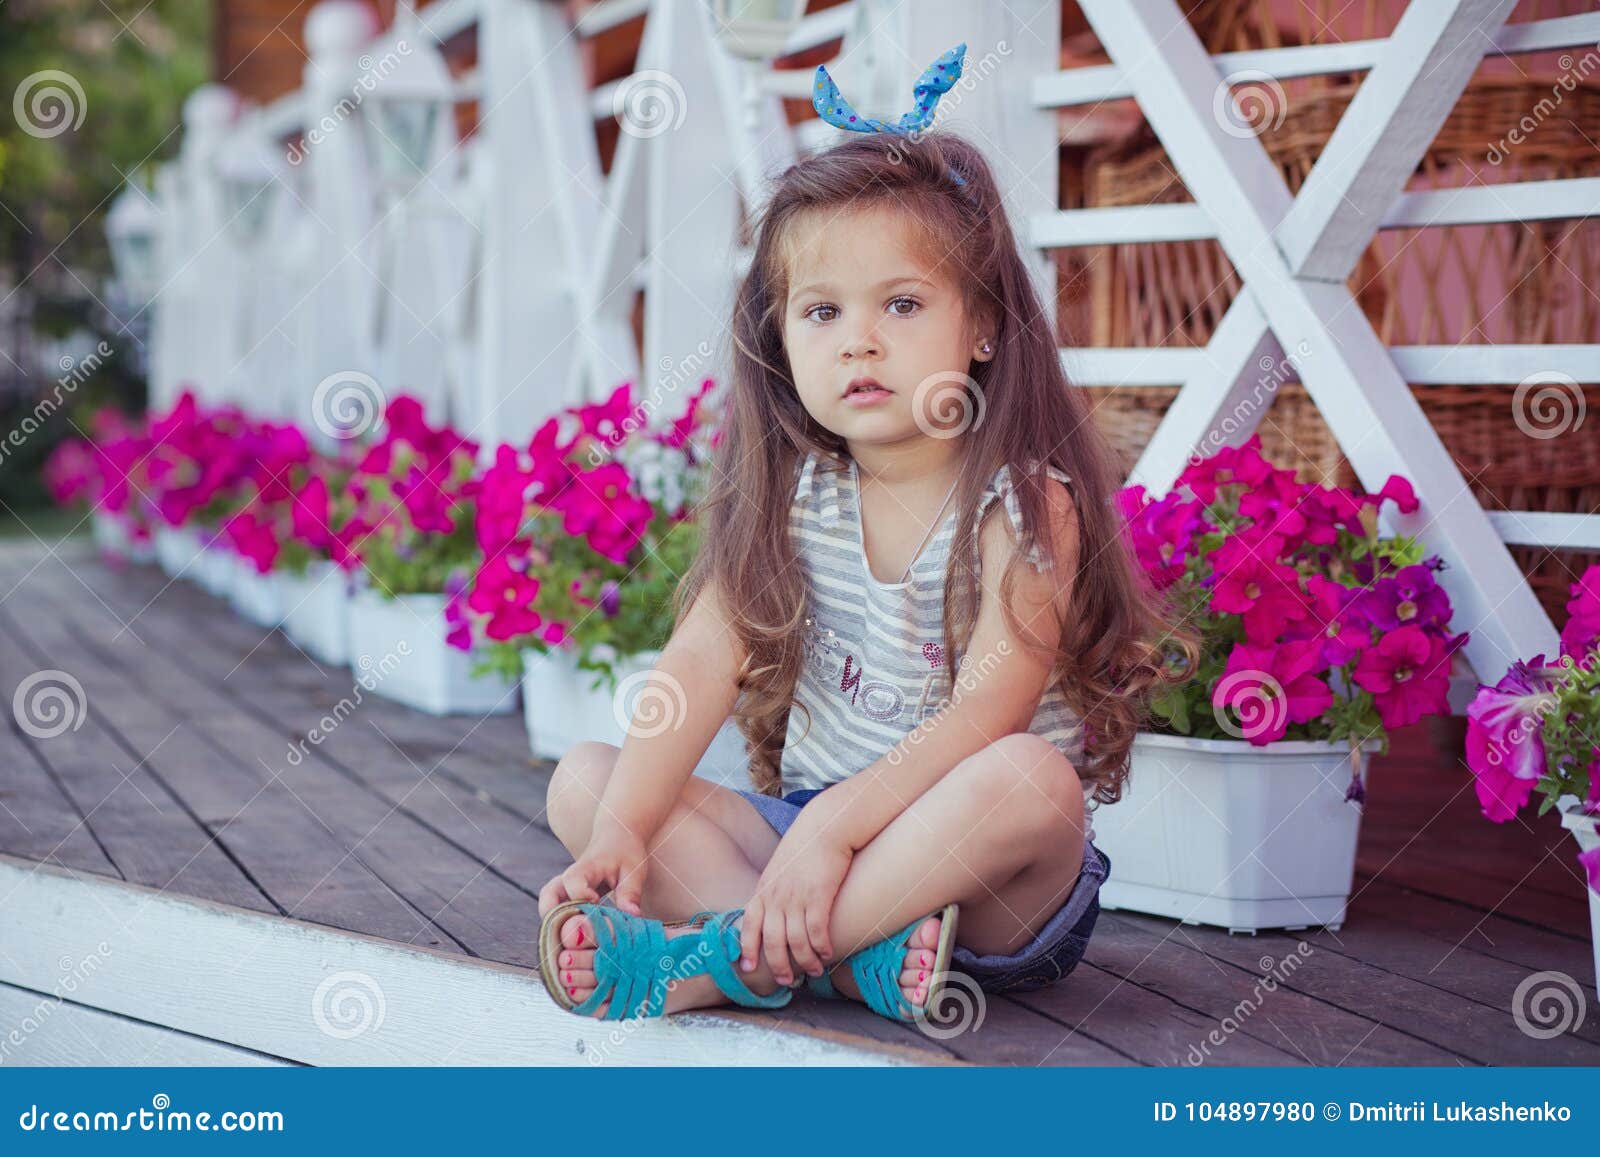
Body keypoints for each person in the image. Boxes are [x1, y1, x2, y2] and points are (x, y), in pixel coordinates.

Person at [535, 43, 1197, 1026]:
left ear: (981, 325)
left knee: (1033, 777)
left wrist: (835, 832)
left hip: (978, 883)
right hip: (808, 837)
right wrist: (626, 829)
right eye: (821, 310)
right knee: (585, 782)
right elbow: (694, 668)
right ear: (780, 338)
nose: (859, 340)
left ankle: (723, 955)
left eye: (901, 303)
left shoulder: (1022, 503)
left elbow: (987, 714)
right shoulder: (795, 501)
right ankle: (851, 960)